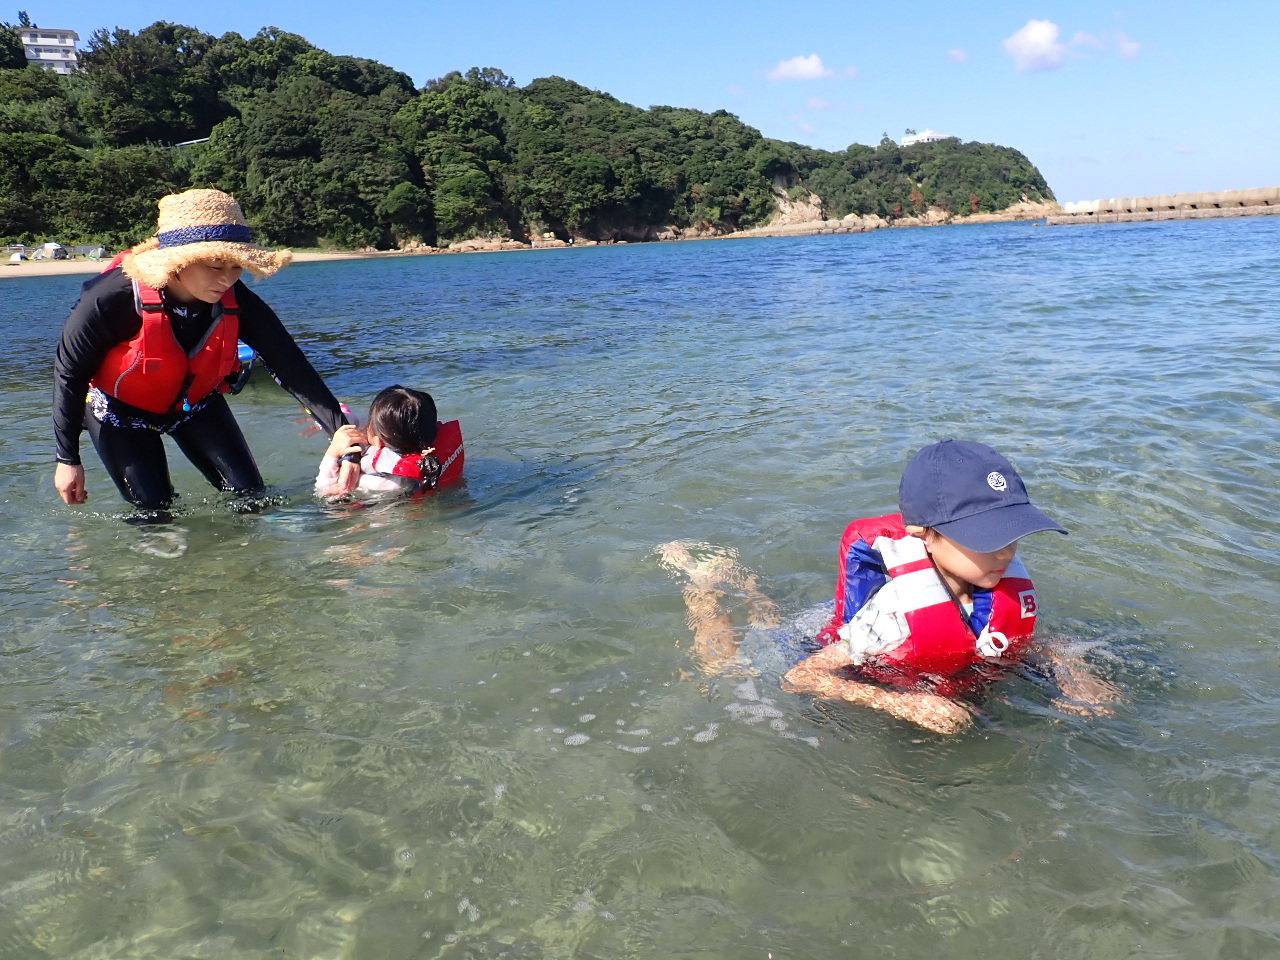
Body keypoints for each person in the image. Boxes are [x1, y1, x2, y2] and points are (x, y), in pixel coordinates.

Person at [659, 439, 1120, 734]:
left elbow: (1021, 640)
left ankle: (747, 584)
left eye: (1012, 535)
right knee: (725, 664)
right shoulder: (894, 613)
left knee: (767, 614)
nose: (1005, 553)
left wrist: (1073, 673)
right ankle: (703, 586)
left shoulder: (991, 584)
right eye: (985, 538)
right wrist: (902, 705)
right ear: (923, 535)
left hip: (889, 646)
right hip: (810, 648)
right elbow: (801, 677)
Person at [52, 188, 359, 513]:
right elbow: (70, 375)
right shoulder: (110, 298)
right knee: (154, 512)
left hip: (195, 404)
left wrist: (346, 442)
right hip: (119, 413)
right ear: (178, 262)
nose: (228, 279)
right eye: (215, 265)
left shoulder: (236, 299)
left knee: (253, 499)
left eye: (237, 265)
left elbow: (292, 367)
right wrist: (68, 459)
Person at [315, 386, 465, 497]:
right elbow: (369, 427)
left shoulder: (387, 483)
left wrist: (332, 454)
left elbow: (324, 493)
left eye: (370, 422)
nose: (366, 425)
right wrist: (331, 419)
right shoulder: (422, 441)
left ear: (379, 441)